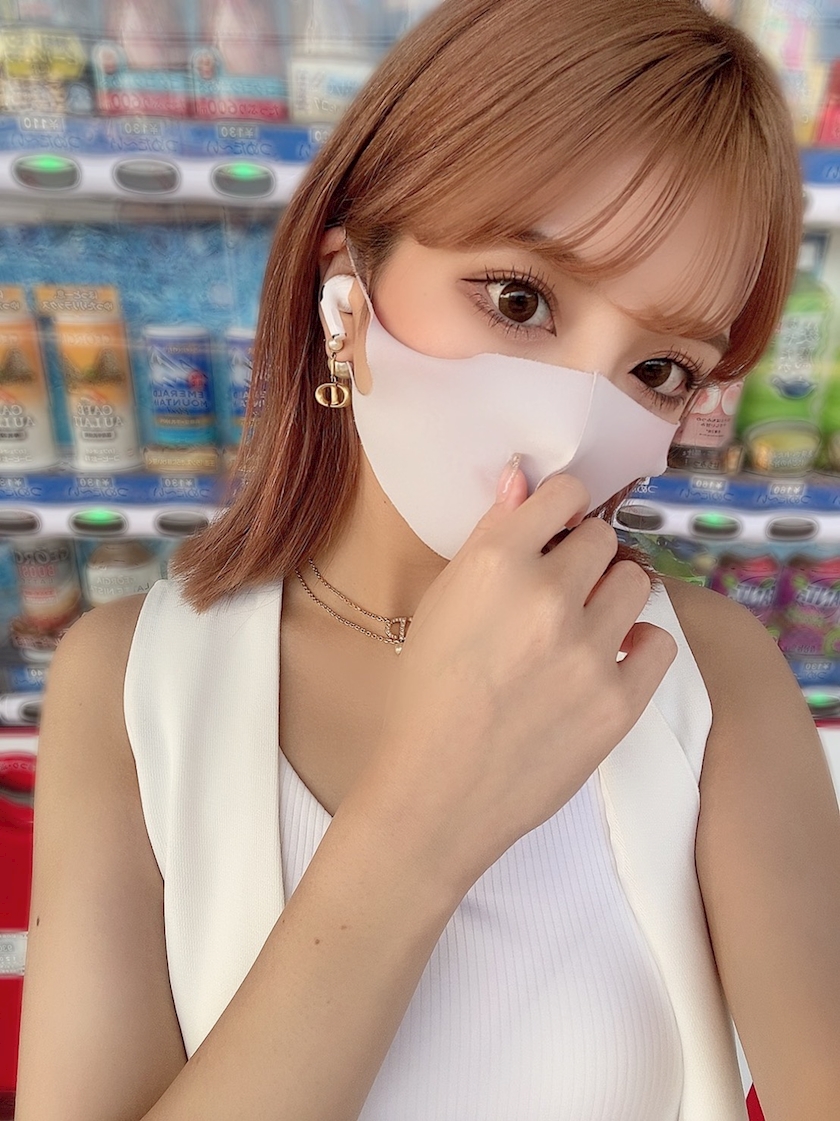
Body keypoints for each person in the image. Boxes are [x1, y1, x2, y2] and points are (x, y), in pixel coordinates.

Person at [14, 0, 840, 1118]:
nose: (572, 425)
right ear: (344, 293)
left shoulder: (710, 679)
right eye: (519, 299)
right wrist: (428, 813)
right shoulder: (127, 684)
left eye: (658, 371)